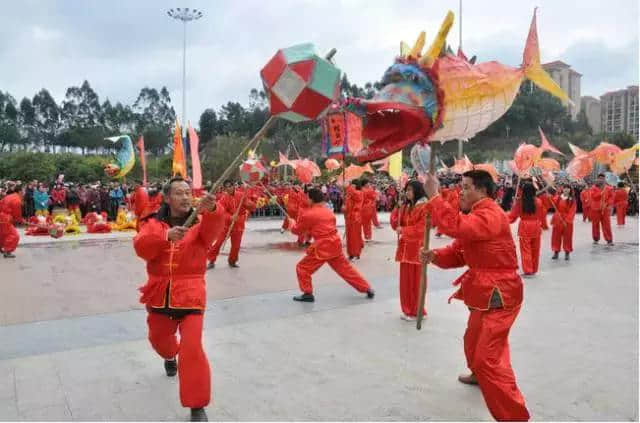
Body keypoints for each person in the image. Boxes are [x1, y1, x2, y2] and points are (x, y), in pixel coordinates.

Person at [420, 170, 530, 422]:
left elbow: (456, 226)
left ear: (482, 190)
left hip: (499, 293)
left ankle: (514, 417)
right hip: (484, 291)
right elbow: (459, 252)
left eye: (466, 187)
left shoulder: (490, 213)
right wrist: (435, 256)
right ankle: (478, 375)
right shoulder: (477, 215)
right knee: (473, 339)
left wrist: (435, 197)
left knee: (488, 359)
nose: (461, 192)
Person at [134, 177, 224, 422]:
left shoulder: (199, 223)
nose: (185, 197)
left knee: (192, 349)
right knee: (159, 340)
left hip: (192, 295)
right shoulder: (153, 223)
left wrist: (214, 209)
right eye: (179, 193)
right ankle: (169, 356)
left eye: (188, 192)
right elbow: (142, 247)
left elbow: (214, 230)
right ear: (167, 198)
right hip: (159, 294)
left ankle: (197, 405)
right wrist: (165, 237)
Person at [288, 188, 374, 302]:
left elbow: (297, 231)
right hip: (334, 244)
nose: (306, 199)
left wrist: (292, 223)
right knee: (346, 270)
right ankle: (367, 288)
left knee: (302, 268)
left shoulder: (309, 214)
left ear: (312, 199)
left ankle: (307, 293)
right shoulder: (328, 211)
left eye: (307, 197)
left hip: (322, 246)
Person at [390, 180, 429, 321]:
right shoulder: (406, 207)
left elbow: (422, 229)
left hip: (417, 249)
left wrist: (404, 230)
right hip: (405, 249)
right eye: (406, 190)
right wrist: (397, 209)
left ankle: (417, 310)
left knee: (416, 282)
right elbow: (395, 224)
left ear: (417, 191)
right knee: (406, 282)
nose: (407, 192)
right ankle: (408, 309)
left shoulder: (424, 207)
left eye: (410, 190)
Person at [207, 180, 257, 269]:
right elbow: (221, 212)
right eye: (226, 187)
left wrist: (250, 202)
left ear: (234, 186)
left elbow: (252, 207)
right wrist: (230, 217)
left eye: (230, 186)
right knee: (218, 243)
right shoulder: (223, 198)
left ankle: (232, 261)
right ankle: (211, 260)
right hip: (226, 225)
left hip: (239, 225)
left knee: (236, 246)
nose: (228, 188)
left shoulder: (242, 195)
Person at [508, 182, 543, 276]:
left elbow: (512, 217)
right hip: (536, 225)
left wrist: (505, 218)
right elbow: (541, 214)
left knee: (525, 250)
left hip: (525, 226)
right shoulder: (538, 201)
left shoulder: (520, 202)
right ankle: (534, 268)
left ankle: (528, 269)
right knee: (535, 249)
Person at [550, 184, 577, 260]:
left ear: (570, 190)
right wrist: (549, 198)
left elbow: (573, 210)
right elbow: (552, 204)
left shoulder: (572, 199)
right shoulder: (558, 197)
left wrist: (568, 220)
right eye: (565, 188)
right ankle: (556, 251)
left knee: (567, 237)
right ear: (562, 189)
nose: (566, 189)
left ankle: (567, 252)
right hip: (557, 218)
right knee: (556, 236)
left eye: (568, 188)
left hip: (567, 220)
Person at [588, 174, 614, 245]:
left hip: (605, 209)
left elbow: (611, 197)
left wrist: (608, 204)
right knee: (595, 224)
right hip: (595, 209)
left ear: (604, 179)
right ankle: (596, 238)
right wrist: (600, 193)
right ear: (597, 179)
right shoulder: (593, 188)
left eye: (602, 178)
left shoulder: (609, 188)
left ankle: (609, 239)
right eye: (599, 178)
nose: (601, 180)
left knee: (607, 225)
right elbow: (593, 197)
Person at [344, 179, 364, 260]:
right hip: (350, 217)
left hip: (355, 217)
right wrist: (344, 208)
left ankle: (356, 253)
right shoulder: (351, 193)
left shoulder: (359, 193)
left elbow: (355, 195)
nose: (352, 186)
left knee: (355, 236)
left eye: (353, 184)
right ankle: (351, 253)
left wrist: (348, 186)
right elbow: (348, 205)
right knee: (350, 236)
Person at [0, 184, 22, 258]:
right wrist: (19, 220)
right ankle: (7, 251)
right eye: (24, 190)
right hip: (6, 219)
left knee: (3, 234)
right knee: (14, 235)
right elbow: (17, 213)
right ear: (20, 191)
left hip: (1, 217)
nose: (24, 192)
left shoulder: (9, 196)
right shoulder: (17, 200)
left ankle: (1, 247)